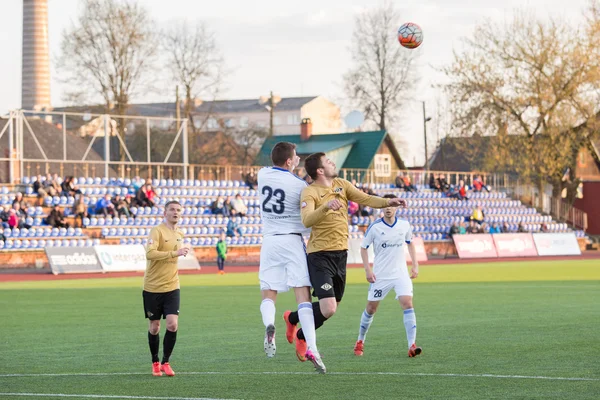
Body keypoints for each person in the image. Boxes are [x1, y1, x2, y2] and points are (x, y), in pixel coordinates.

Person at [284, 152, 406, 369]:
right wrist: (325, 207)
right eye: (328, 162)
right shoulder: (310, 192)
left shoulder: (341, 184)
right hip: (319, 255)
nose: (333, 163)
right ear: (320, 170)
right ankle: (303, 337)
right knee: (329, 308)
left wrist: (388, 201)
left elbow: (365, 198)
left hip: (341, 255)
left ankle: (293, 319)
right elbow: (306, 219)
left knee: (332, 307)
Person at [258, 142, 325, 373]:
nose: (297, 160)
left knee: (268, 291)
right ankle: (313, 348)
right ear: (289, 161)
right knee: (302, 294)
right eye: (295, 157)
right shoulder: (299, 186)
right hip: (292, 240)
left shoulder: (262, 174)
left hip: (269, 240)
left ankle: (269, 324)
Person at [353, 194, 422, 358]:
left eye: (392, 206)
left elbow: (410, 243)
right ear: (382, 207)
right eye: (386, 206)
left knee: (407, 303)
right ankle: (360, 341)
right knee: (371, 309)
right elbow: (363, 248)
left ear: (397, 208)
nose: (389, 209)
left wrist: (415, 264)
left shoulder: (404, 225)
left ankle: (411, 345)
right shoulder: (375, 227)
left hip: (400, 274)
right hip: (381, 276)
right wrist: (367, 270)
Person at [143, 200, 190, 377]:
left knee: (172, 324)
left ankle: (165, 362)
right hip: (153, 287)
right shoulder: (157, 231)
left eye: (178, 210)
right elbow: (149, 253)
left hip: (172, 286)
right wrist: (174, 253)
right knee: (154, 327)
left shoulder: (180, 233)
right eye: (172, 209)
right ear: (165, 212)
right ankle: (155, 361)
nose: (175, 212)